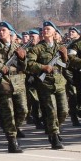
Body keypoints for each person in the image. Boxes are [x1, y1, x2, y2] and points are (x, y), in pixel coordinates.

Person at [0, 21, 28, 153]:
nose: (1, 32)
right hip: (3, 84)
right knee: (8, 113)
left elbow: (25, 67)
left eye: (4, 30)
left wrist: (22, 58)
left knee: (23, 110)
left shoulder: (18, 47)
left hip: (18, 83)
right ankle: (12, 141)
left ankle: (12, 128)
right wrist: (1, 67)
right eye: (0, 30)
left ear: (10, 32)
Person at [26, 21, 69, 149]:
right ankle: (54, 136)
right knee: (51, 111)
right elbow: (29, 64)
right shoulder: (37, 49)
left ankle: (54, 128)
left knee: (64, 111)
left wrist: (66, 57)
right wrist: (43, 67)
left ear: (54, 32)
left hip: (59, 82)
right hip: (45, 84)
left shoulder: (60, 47)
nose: (45, 31)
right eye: (44, 29)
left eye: (48, 29)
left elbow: (67, 65)